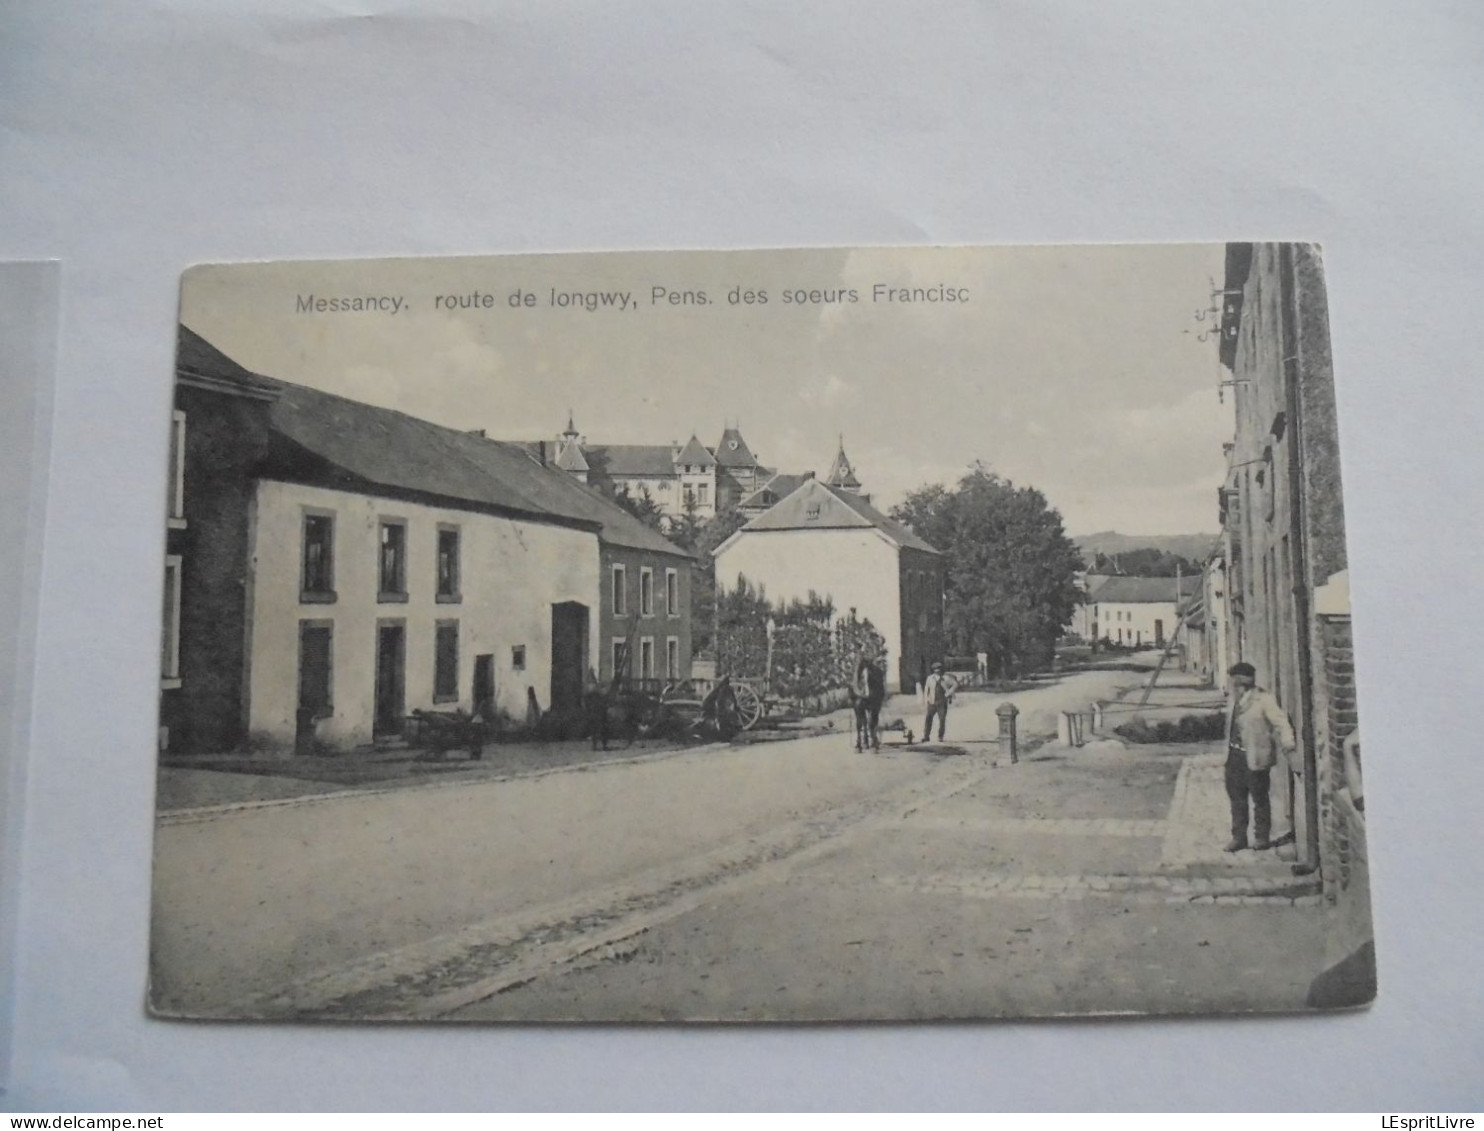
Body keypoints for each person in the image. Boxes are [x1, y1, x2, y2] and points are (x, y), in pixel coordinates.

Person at [1224, 661, 1297, 852]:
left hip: (1255, 756)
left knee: (1259, 799)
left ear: (1241, 683)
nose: (1232, 687)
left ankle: (1261, 838)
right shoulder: (1235, 700)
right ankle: (1239, 838)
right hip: (1234, 757)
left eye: (1234, 682)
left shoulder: (1263, 700)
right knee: (1237, 799)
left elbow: (1281, 723)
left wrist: (1289, 746)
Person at [921, 661, 956, 743]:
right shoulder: (930, 678)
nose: (938, 672)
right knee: (928, 719)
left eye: (939, 670)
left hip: (942, 702)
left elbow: (955, 684)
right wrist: (926, 699)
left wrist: (949, 693)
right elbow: (926, 689)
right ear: (933, 671)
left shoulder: (946, 678)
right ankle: (926, 736)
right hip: (932, 701)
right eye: (936, 670)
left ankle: (940, 736)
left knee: (942, 719)